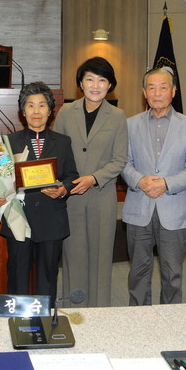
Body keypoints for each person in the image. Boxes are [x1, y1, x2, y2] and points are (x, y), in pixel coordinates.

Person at [0, 82, 78, 303]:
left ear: (50, 110)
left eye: (42, 105)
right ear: (22, 111)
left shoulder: (63, 142)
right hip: (18, 218)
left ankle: (44, 318)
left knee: (48, 276)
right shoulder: (8, 142)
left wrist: (63, 189)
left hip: (51, 219)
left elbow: (71, 176)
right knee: (17, 273)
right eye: (30, 105)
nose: (36, 111)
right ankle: (17, 316)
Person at [121, 67, 186, 305]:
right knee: (138, 274)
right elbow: (123, 162)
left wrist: (166, 184)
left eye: (163, 87)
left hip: (174, 211)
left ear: (174, 91)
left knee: (172, 275)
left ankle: (170, 321)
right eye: (152, 88)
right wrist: (140, 180)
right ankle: (139, 319)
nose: (157, 93)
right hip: (139, 209)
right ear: (144, 92)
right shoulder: (129, 124)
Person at [52, 57, 128, 307]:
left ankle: (99, 311)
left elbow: (120, 159)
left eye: (102, 80)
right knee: (72, 257)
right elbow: (57, 152)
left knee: (100, 258)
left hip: (101, 197)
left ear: (110, 85)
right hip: (71, 197)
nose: (96, 86)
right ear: (80, 83)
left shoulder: (117, 116)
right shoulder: (66, 112)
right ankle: (73, 310)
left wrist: (94, 178)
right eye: (90, 79)